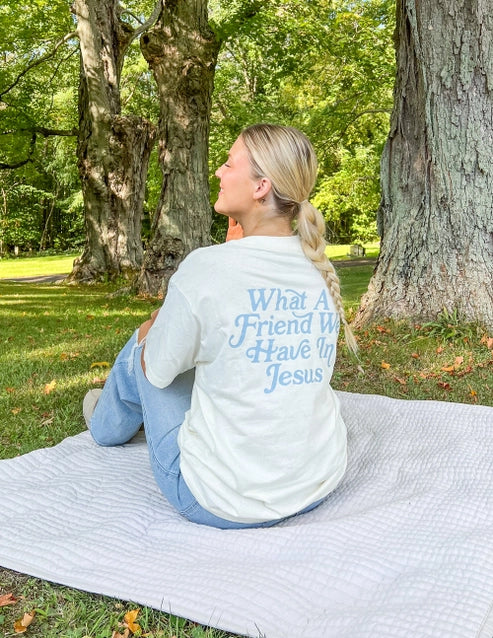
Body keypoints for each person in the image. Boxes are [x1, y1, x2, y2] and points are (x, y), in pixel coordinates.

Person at [83, 123, 357, 530]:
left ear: (261, 186)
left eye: (229, 163)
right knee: (181, 338)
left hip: (218, 500)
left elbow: (157, 372)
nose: (218, 172)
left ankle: (104, 424)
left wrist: (153, 327)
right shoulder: (318, 267)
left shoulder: (206, 269)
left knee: (144, 343)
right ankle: (109, 413)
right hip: (315, 482)